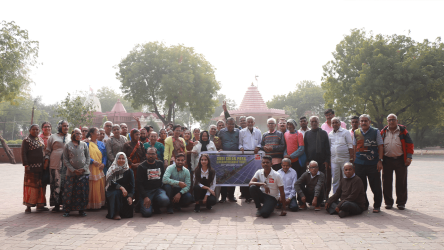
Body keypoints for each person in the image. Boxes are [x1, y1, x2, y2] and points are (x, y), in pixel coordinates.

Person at [380, 114, 414, 210]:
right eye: (389, 120)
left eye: (393, 120)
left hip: (400, 160)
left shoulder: (403, 131)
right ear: (387, 121)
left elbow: (410, 145)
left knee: (401, 182)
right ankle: (388, 202)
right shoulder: (383, 132)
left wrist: (409, 157)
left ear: (397, 120)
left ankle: (401, 203)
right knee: (386, 182)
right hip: (387, 160)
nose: (391, 122)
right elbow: (379, 146)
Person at [353, 114, 384, 213]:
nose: (363, 123)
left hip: (373, 163)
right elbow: (354, 147)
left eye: (365, 121)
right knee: (361, 186)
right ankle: (364, 204)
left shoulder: (375, 131)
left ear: (369, 122)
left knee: (376, 186)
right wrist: (353, 161)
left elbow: (380, 146)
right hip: (359, 163)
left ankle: (377, 205)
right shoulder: (356, 132)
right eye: (361, 121)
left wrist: (380, 160)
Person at [61, 129, 90, 217]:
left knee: (82, 192)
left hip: (83, 173)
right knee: (69, 192)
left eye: (80, 134)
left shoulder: (84, 144)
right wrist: (73, 170)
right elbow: (65, 159)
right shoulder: (67, 145)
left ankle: (81, 210)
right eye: (77, 133)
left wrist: (84, 169)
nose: (79, 135)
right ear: (73, 134)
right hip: (71, 173)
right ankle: (67, 210)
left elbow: (88, 158)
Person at [45, 120, 71, 212]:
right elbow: (48, 150)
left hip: (67, 165)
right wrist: (46, 161)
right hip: (55, 164)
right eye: (64, 126)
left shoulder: (70, 137)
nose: (66, 127)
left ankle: (65, 204)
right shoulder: (53, 137)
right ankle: (56, 205)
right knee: (55, 184)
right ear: (59, 126)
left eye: (67, 126)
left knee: (66, 184)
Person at [22, 124, 48, 213]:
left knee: (41, 186)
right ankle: (28, 206)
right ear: (30, 130)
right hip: (31, 168)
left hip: (41, 167)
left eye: (37, 129)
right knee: (30, 187)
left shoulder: (40, 139)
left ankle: (40, 205)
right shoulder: (26, 140)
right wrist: (26, 165)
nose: (36, 131)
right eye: (34, 129)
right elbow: (23, 153)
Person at [304, 116, 330, 202]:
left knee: (322, 180)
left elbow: (327, 148)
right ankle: (311, 199)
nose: (314, 123)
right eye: (312, 121)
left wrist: (327, 160)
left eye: (315, 121)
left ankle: (322, 198)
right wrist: (307, 160)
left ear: (318, 122)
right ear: (310, 123)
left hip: (322, 161)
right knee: (311, 180)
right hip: (311, 161)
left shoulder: (323, 133)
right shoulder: (307, 134)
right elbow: (305, 147)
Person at [137, 147, 170, 217]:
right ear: (146, 155)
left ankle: (155, 206)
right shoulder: (141, 166)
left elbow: (163, 177)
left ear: (156, 155)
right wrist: (145, 197)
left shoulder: (160, 163)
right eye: (149, 154)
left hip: (158, 190)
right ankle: (141, 203)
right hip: (146, 192)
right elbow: (139, 184)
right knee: (147, 213)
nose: (151, 156)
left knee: (165, 200)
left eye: (153, 154)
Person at [238, 116, 262, 202]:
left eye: (252, 122)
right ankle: (247, 196)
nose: (250, 123)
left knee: (254, 174)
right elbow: (240, 144)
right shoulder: (242, 132)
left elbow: (260, 143)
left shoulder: (258, 131)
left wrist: (258, 147)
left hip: (255, 156)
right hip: (245, 156)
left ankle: (254, 195)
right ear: (246, 123)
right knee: (245, 175)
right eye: (249, 122)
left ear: (254, 123)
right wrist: (241, 148)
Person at [105, 153, 135, 220]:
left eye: (123, 158)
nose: (121, 160)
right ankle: (115, 213)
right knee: (117, 193)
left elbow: (132, 185)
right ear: (116, 159)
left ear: (125, 160)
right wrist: (121, 188)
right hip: (112, 190)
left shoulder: (129, 171)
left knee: (129, 214)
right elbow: (110, 182)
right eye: (119, 158)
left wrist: (130, 196)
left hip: (125, 192)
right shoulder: (112, 170)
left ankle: (122, 212)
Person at [123, 129, 147, 211]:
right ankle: (129, 203)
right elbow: (124, 156)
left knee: (138, 184)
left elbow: (144, 156)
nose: (138, 136)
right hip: (130, 167)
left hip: (139, 167)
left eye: (139, 134)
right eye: (136, 134)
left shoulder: (140, 144)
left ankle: (138, 203)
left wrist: (139, 164)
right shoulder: (127, 144)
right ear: (132, 135)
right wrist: (132, 164)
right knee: (130, 184)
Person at [328, 117, 353, 194]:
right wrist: (329, 161)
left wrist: (351, 158)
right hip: (334, 160)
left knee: (346, 177)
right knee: (335, 179)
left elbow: (350, 145)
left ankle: (346, 195)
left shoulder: (345, 132)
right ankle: (335, 196)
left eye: (336, 122)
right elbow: (329, 147)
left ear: (340, 123)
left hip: (345, 159)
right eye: (333, 123)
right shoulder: (330, 134)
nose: (335, 124)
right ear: (331, 124)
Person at [218, 117, 239, 202]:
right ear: (226, 124)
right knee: (224, 176)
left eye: (232, 124)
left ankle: (231, 196)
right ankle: (223, 197)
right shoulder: (221, 132)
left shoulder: (238, 131)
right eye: (229, 123)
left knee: (233, 176)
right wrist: (219, 149)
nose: (231, 125)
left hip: (234, 158)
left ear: (234, 124)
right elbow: (218, 141)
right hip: (224, 158)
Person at [85, 127, 107, 210]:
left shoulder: (101, 143)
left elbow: (105, 155)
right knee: (91, 186)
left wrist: (104, 164)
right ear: (91, 133)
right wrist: (92, 161)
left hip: (100, 168)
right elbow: (85, 155)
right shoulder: (86, 143)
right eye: (97, 132)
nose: (99, 133)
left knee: (100, 185)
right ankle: (91, 205)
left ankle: (99, 204)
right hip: (91, 167)